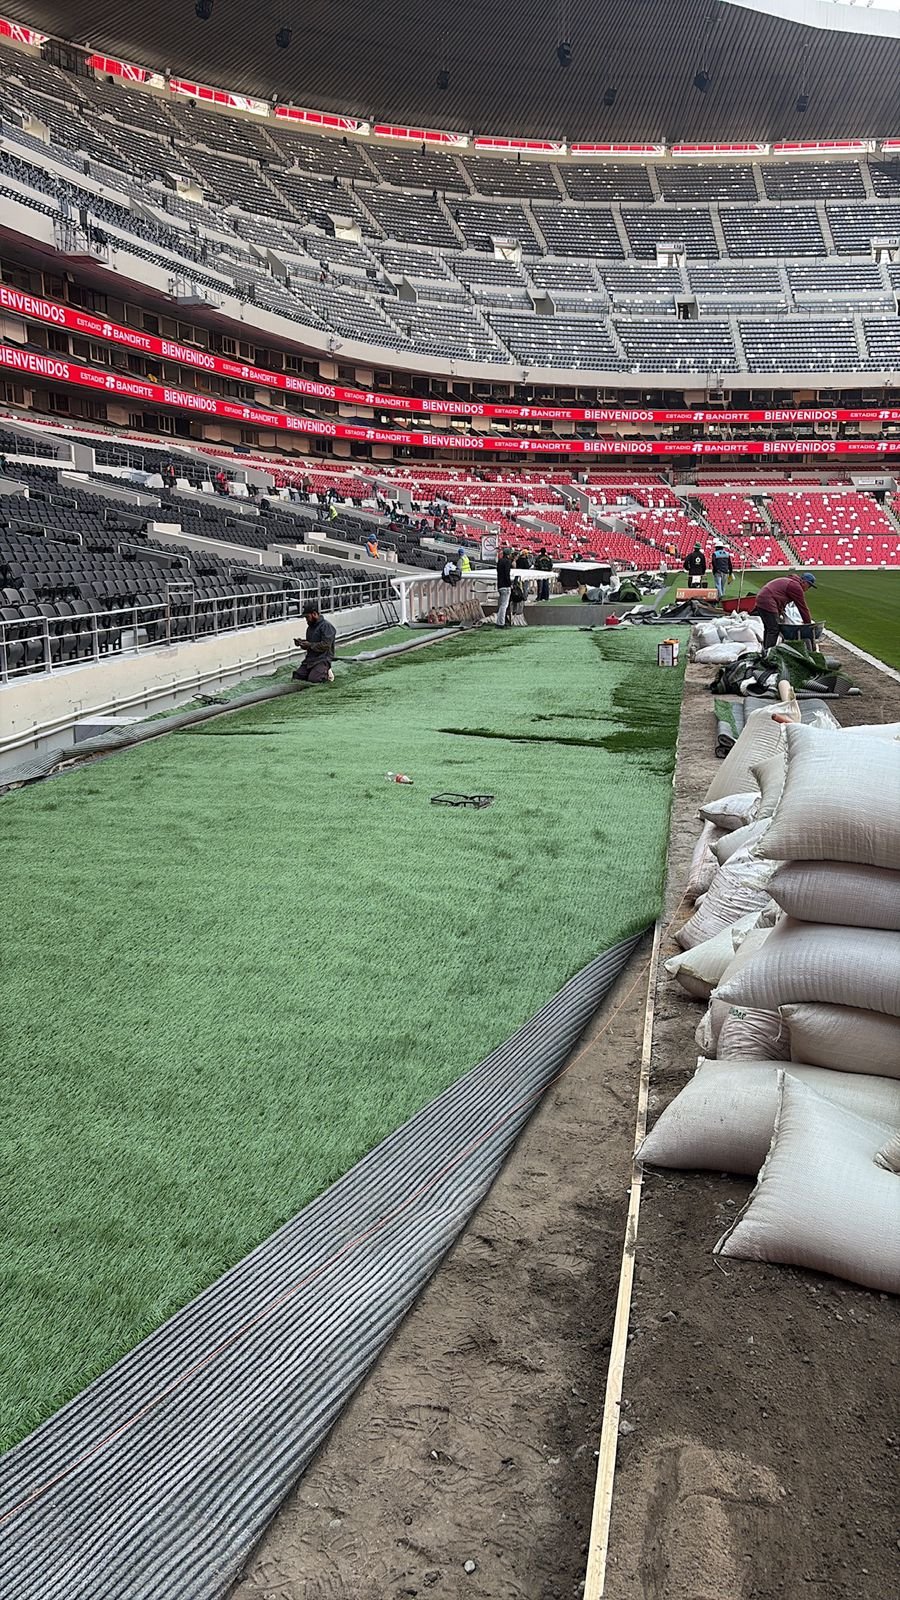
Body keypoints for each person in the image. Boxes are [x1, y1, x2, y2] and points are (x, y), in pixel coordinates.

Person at [753, 572, 817, 653]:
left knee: (769, 628)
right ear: (804, 582)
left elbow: (779, 597)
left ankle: (765, 650)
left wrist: (779, 612)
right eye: (809, 586)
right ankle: (769, 654)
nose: (808, 588)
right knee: (774, 629)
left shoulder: (791, 582)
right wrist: (808, 625)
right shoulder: (796, 587)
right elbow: (802, 607)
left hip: (762, 599)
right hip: (767, 601)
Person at [292, 602, 337, 684]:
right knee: (297, 676)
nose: (306, 620)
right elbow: (311, 643)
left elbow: (325, 645)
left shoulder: (326, 626)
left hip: (322, 659)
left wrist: (309, 645)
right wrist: (302, 643)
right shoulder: (310, 628)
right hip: (310, 659)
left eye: (307, 617)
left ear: (314, 614)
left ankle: (326, 672)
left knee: (314, 680)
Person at [495, 546, 513, 627]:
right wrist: (510, 584)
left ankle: (499, 621)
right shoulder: (507, 562)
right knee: (504, 605)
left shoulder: (500, 561)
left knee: (501, 605)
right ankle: (501, 623)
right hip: (505, 586)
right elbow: (507, 574)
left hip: (500, 585)